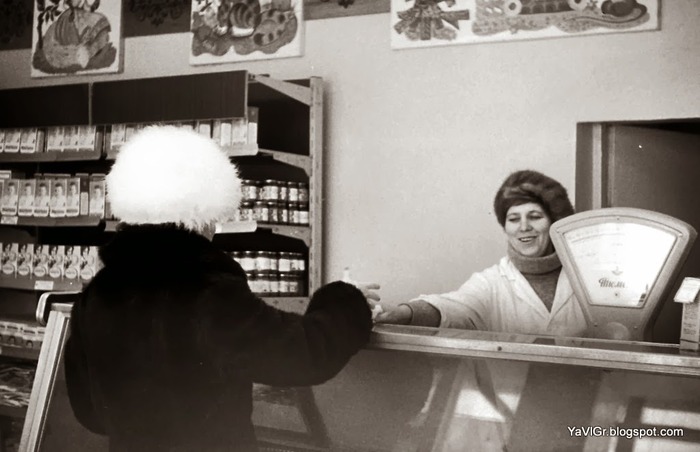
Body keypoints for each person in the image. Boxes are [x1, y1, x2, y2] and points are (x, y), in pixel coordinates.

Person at [64, 125, 378, 452]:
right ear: (200, 217)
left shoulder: (97, 295)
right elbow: (303, 355)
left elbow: (90, 413)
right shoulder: (208, 293)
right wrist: (346, 300)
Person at [376, 169, 587, 337]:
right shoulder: (490, 283)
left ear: (554, 223)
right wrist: (404, 312)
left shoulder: (587, 276)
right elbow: (454, 308)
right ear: (505, 226)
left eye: (535, 216)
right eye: (514, 219)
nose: (524, 227)